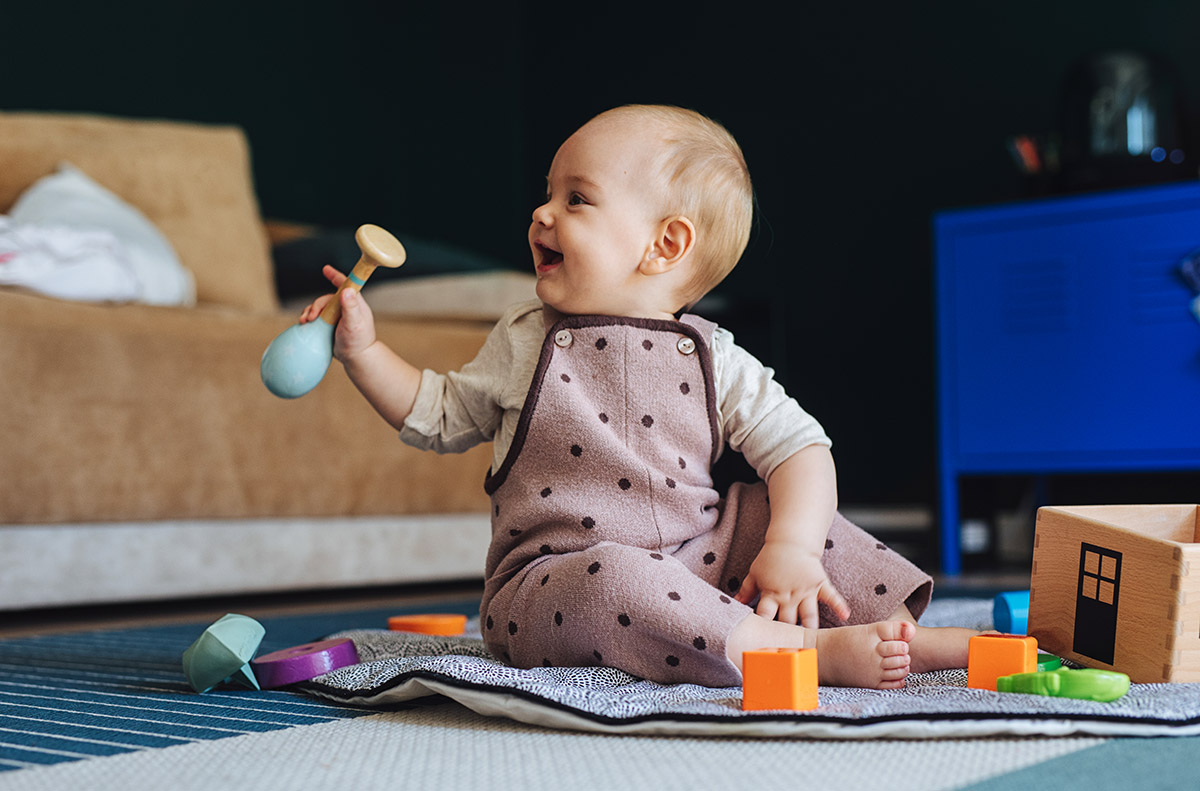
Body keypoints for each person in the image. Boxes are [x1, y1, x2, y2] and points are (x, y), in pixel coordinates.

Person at [299, 104, 980, 688]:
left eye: (576, 198)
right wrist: (363, 352)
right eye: (547, 192)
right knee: (616, 578)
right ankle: (805, 654)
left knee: (778, 514)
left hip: (697, 559)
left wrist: (792, 548)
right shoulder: (525, 339)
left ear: (664, 244)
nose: (541, 213)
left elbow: (802, 448)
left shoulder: (716, 356)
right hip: (553, 584)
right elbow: (437, 413)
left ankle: (895, 635)